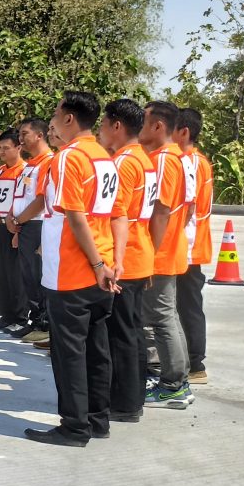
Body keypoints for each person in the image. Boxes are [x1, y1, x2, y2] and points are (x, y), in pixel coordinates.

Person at [24, 91, 118, 447]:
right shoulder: (104, 158)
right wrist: (106, 264)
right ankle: (97, 419)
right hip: (100, 268)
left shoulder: (69, 158)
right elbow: (109, 214)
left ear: (69, 118)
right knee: (96, 349)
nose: (52, 120)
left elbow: (75, 216)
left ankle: (74, 426)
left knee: (69, 353)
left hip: (73, 271)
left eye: (56, 112)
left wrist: (94, 262)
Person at [97, 99, 157, 423]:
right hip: (138, 252)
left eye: (103, 124)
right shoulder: (144, 160)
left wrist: (112, 260)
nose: (101, 131)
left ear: (116, 126)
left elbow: (116, 214)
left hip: (126, 256)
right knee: (131, 331)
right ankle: (132, 400)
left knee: (120, 334)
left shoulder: (123, 163)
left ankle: (123, 403)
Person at [138, 100, 194, 409]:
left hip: (158, 253)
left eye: (143, 122)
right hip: (166, 249)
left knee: (160, 318)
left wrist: (149, 253)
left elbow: (161, 210)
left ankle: (174, 383)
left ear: (158, 126)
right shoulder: (176, 158)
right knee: (164, 316)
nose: (138, 128)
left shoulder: (164, 160)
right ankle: (172, 380)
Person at [4, 118, 53, 342]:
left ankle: (44, 324)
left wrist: (19, 220)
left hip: (37, 225)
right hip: (24, 225)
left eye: (24, 134)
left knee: (37, 275)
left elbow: (41, 201)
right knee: (28, 277)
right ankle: (35, 320)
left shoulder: (48, 162)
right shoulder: (31, 164)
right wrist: (12, 221)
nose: (20, 138)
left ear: (40, 136)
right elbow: (21, 196)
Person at [175, 108, 213, 383]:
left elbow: (188, 209)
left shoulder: (194, 163)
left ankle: (196, 364)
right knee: (180, 305)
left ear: (184, 132)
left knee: (188, 306)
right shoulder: (189, 160)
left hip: (188, 246)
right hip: (184, 246)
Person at [0, 128, 27, 331]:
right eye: (0, 148)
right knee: (0, 273)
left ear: (19, 147)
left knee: (15, 274)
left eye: (6, 148)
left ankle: (19, 317)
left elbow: (22, 203)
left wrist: (17, 231)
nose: (1, 152)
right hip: (0, 226)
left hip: (15, 226)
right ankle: (5, 314)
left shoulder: (24, 171)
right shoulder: (0, 171)